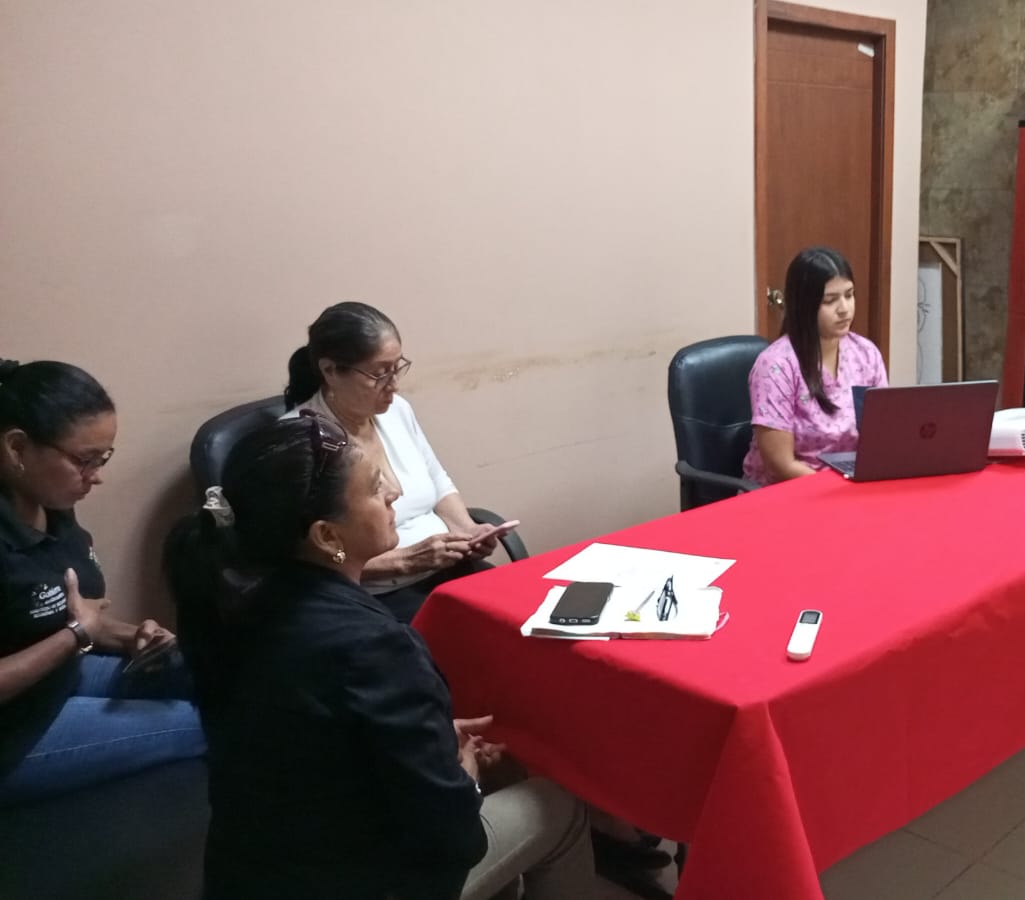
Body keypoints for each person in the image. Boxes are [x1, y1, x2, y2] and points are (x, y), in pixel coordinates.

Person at [164, 414, 591, 900]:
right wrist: (463, 774)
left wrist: (427, 739)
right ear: (327, 536)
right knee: (557, 805)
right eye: (374, 487)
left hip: (250, 871)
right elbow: (456, 840)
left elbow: (314, 740)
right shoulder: (374, 646)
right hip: (361, 881)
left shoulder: (231, 611)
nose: (394, 492)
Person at [0, 359, 203, 805]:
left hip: (56, 681)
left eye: (102, 458)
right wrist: (75, 637)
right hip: (15, 732)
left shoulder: (50, 504)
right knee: (207, 724)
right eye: (84, 460)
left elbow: (67, 613)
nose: (97, 475)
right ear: (17, 448)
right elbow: (75, 626)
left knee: (213, 672)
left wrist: (134, 637)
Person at [283, 302, 500, 623]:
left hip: (446, 569)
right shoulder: (301, 440)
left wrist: (468, 531)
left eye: (397, 368)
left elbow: (436, 479)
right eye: (379, 373)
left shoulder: (397, 410)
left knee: (520, 617)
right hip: (375, 596)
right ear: (330, 370)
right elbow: (305, 557)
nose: (394, 385)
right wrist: (405, 561)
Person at [743, 246, 888, 485]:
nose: (844, 309)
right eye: (830, 301)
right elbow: (780, 465)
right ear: (804, 304)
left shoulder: (866, 353)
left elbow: (881, 434)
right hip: (791, 490)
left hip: (850, 483)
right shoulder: (777, 365)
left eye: (849, 295)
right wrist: (838, 489)